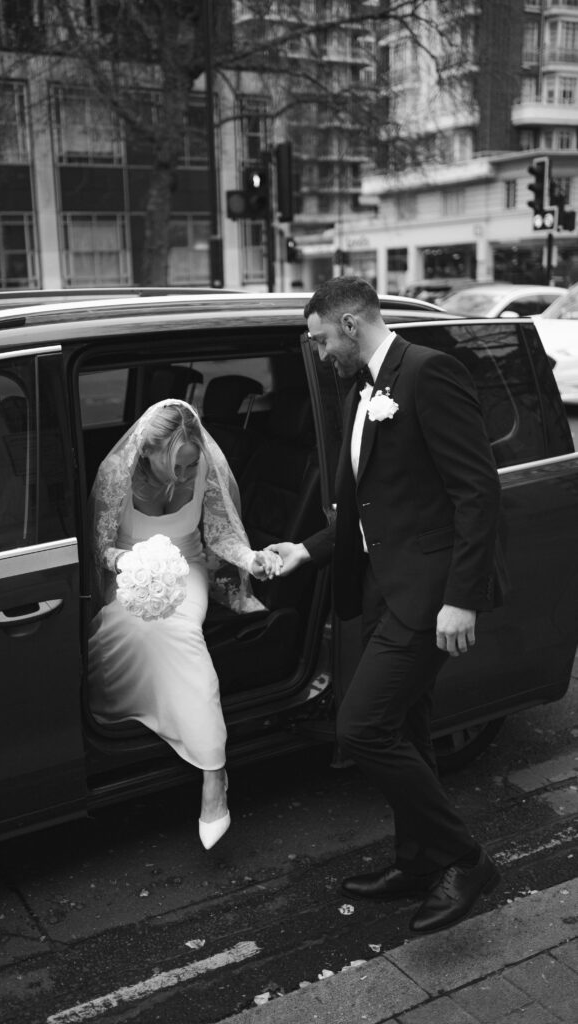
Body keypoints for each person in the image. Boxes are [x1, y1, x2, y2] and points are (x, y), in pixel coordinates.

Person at [267, 277, 506, 934]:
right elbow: (365, 505)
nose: (318, 355)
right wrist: (306, 551)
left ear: (348, 322)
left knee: (362, 727)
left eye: (318, 340)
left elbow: (476, 493)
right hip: (381, 585)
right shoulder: (359, 387)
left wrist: (461, 599)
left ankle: (464, 858)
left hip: (428, 595)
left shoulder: (429, 374)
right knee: (406, 728)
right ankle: (419, 861)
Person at [88, 398, 280, 850]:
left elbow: (219, 533)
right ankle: (128, 713)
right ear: (148, 452)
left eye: (192, 463)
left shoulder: (204, 467)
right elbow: (99, 549)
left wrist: (250, 559)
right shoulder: (115, 473)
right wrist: (130, 560)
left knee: (177, 630)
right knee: (123, 626)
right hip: (132, 573)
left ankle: (214, 772)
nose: (187, 474)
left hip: (188, 567)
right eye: (177, 465)